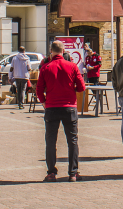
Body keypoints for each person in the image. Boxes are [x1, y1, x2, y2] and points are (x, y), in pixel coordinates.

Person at [36, 40, 86, 182]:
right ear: (63, 51)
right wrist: (72, 91)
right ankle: (73, 173)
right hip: (69, 107)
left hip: (51, 107)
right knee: (73, 140)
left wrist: (44, 102)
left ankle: (51, 172)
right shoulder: (72, 66)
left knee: (51, 141)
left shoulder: (45, 68)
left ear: (51, 51)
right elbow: (81, 87)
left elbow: (39, 89)